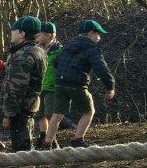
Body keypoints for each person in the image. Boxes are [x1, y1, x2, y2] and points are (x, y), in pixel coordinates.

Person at [41, 19, 115, 149]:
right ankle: (77, 139)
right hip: (76, 83)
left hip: (59, 83)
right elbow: (101, 68)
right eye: (98, 34)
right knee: (89, 111)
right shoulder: (92, 47)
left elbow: (57, 62)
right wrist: (110, 86)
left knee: (57, 114)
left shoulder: (69, 44)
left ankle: (47, 143)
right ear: (91, 33)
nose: (99, 37)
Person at [0, 16, 47, 168]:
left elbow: (16, 88)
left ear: (22, 33)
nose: (10, 33)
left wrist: (8, 113)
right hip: (29, 105)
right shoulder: (38, 51)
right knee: (20, 146)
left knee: (24, 148)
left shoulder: (23, 55)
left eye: (13, 30)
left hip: (20, 108)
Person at [35, 22, 63, 146]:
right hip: (39, 85)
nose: (37, 37)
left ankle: (52, 139)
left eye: (40, 35)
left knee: (50, 114)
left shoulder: (59, 50)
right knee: (39, 113)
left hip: (52, 86)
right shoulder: (37, 50)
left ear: (49, 35)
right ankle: (43, 135)